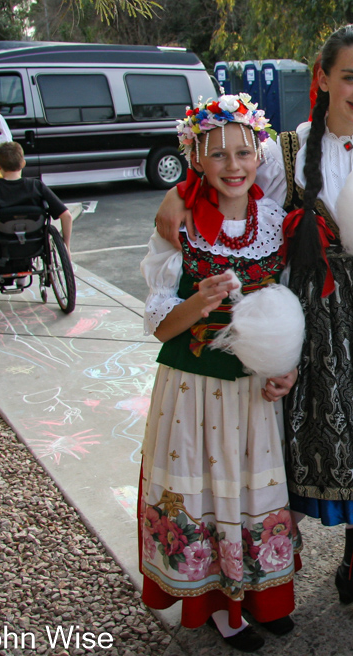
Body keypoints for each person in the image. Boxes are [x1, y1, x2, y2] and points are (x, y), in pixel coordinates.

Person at [155, 24, 353, 635]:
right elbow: (228, 192)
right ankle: (270, 579)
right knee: (284, 450)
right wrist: (176, 197)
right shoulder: (283, 151)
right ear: (324, 78)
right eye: (352, 77)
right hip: (305, 322)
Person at [138, 94, 300, 653]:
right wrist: (198, 305)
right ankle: (220, 609)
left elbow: (287, 306)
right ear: (196, 161)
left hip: (253, 393)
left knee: (251, 496)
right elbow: (159, 325)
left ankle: (259, 593)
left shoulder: (276, 222)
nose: (234, 166)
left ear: (260, 156)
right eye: (218, 154)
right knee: (208, 496)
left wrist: (288, 366)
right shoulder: (177, 225)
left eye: (244, 152)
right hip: (193, 389)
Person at [0, 141, 73, 285]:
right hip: (34, 245)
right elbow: (66, 216)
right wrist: (66, 247)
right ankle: (23, 272)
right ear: (23, 163)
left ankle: (7, 274)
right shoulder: (36, 186)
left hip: (2, 245)